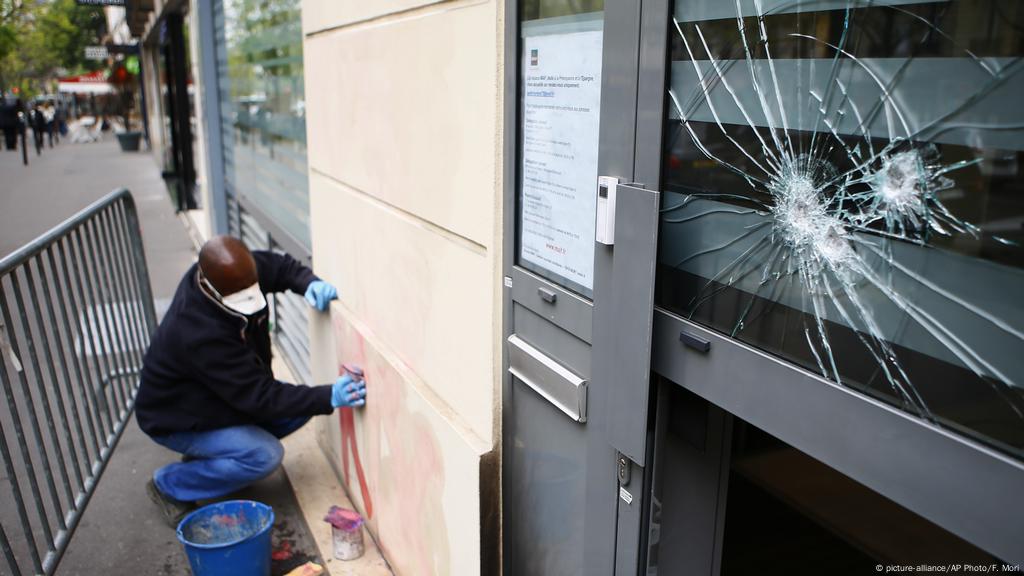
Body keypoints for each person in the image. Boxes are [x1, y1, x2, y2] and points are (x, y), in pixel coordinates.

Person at [135, 235, 366, 526]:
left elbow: (281, 267)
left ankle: (210, 462)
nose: (250, 300)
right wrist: (329, 396)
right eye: (240, 298)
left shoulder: (237, 271)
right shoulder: (197, 332)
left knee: (302, 405)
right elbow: (260, 397)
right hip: (177, 418)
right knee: (264, 455)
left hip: (218, 399)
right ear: (209, 285)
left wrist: (308, 282)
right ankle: (169, 485)